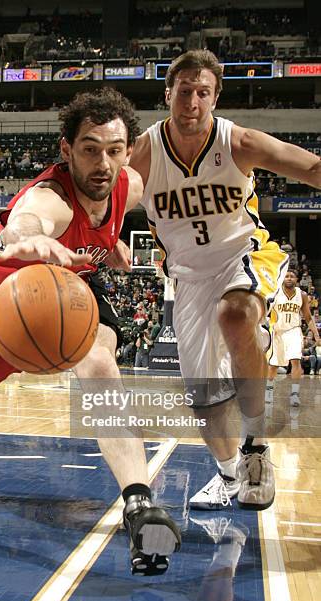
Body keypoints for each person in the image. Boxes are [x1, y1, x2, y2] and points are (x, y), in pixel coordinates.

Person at [0, 88, 181, 576]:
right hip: (9, 306)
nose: (103, 163)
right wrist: (30, 239)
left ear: (128, 151)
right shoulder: (53, 199)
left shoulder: (129, 185)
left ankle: (138, 504)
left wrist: (114, 248)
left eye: (114, 149)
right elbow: (24, 221)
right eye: (90, 149)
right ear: (67, 150)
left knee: (100, 363)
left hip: (73, 296)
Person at [130, 49, 321, 511]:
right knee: (205, 401)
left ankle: (256, 451)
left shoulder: (239, 142)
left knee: (235, 315)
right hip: (188, 278)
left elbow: (312, 168)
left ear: (215, 99)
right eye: (184, 91)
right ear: (168, 94)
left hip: (244, 254)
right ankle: (230, 473)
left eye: (203, 92)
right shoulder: (143, 153)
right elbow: (103, 200)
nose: (192, 101)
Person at [266, 269, 321, 407]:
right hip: (278, 331)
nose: (289, 278)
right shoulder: (275, 292)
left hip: (294, 331)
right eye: (286, 276)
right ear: (282, 278)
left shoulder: (302, 295)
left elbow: (308, 317)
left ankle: (295, 394)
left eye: (292, 276)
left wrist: (316, 334)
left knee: (296, 361)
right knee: (273, 365)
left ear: (296, 279)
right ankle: (269, 389)